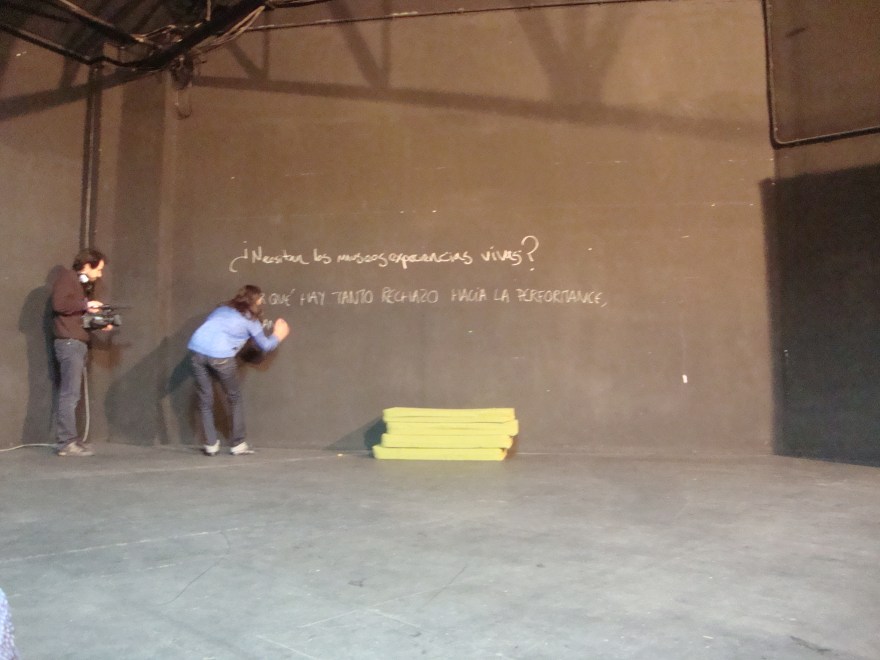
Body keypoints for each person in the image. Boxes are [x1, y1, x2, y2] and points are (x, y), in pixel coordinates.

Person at [188, 285, 289, 455]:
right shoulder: (250, 320)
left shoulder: (222, 309)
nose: (262, 301)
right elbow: (265, 345)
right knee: (234, 397)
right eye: (261, 299)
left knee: (205, 399)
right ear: (256, 300)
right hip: (220, 357)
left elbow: (215, 330)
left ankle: (211, 444)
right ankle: (238, 444)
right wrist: (278, 334)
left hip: (196, 351)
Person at [51, 248, 109, 457]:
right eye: (98, 269)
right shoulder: (67, 277)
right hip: (69, 343)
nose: (99, 275)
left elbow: (76, 316)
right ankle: (66, 443)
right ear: (86, 265)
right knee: (70, 394)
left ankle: (71, 439)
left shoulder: (80, 284)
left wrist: (99, 323)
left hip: (76, 343)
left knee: (73, 395)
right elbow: (59, 304)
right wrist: (86, 304)